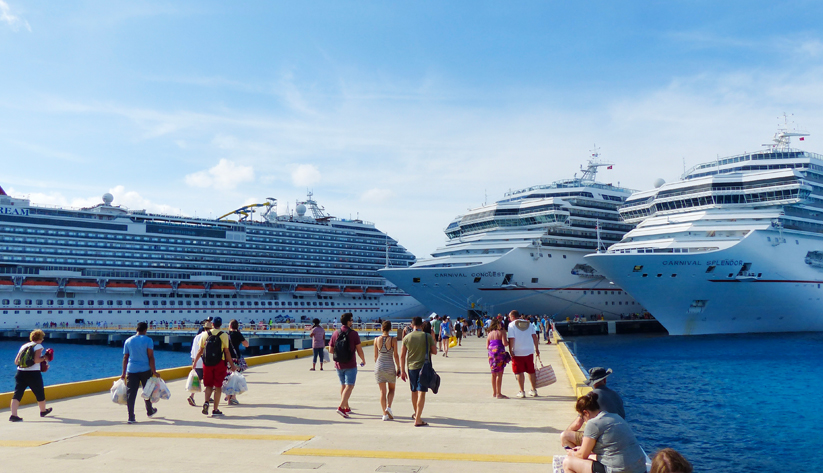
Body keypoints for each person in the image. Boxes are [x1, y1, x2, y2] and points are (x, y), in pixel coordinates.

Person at [562, 392, 646, 473]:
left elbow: (582, 455)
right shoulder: (615, 416)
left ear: (586, 413)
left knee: (567, 462)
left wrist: (572, 453)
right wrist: (580, 449)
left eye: (582, 417)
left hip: (618, 470)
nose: (583, 420)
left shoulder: (593, 423)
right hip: (640, 469)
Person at [562, 366, 626, 448]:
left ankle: (578, 457)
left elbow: (577, 424)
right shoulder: (616, 395)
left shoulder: (591, 397)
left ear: (592, 383)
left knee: (565, 436)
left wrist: (567, 432)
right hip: (621, 436)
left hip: (605, 440)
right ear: (605, 380)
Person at [192, 316, 237, 417]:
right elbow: (227, 352)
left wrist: (194, 363)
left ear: (212, 324)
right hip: (219, 363)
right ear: (220, 325)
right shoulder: (224, 335)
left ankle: (206, 402)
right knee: (218, 387)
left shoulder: (205, 334)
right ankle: (215, 409)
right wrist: (232, 365)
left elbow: (200, 350)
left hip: (207, 363)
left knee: (208, 385)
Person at [400, 316, 437, 427]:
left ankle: (416, 414)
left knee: (414, 391)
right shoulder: (427, 336)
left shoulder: (407, 337)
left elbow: (402, 356)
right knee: (422, 392)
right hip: (424, 367)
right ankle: (418, 419)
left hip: (411, 368)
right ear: (421, 325)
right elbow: (434, 351)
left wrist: (402, 371)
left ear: (412, 325)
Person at [328, 312, 366, 418]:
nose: (352, 322)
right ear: (348, 322)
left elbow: (331, 350)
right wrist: (363, 360)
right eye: (352, 320)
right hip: (350, 363)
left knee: (343, 386)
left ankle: (346, 407)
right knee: (350, 386)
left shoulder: (335, 333)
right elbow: (359, 350)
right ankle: (341, 407)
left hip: (338, 364)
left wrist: (340, 353)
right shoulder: (353, 334)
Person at [9, 329, 52, 422]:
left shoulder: (24, 346)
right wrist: (45, 357)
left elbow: (16, 361)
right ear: (40, 338)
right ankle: (43, 411)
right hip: (33, 373)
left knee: (17, 393)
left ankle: (13, 415)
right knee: (39, 392)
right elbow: (36, 360)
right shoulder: (38, 346)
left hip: (20, 372)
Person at [121, 322, 159, 424]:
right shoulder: (148, 340)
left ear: (136, 329)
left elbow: (125, 357)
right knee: (147, 391)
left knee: (131, 394)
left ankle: (131, 417)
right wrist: (154, 371)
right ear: (145, 330)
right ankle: (149, 411)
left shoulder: (128, 341)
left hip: (131, 370)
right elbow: (151, 356)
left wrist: (123, 373)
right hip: (145, 369)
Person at [507, 310, 539, 398]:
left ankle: (522, 391)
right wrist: (537, 349)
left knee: (519, 371)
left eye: (510, 317)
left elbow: (511, 339)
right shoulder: (528, 324)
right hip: (529, 351)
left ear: (513, 317)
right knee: (531, 371)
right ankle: (533, 390)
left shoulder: (511, 325)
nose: (509, 319)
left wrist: (511, 350)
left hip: (517, 352)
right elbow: (534, 337)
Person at [373, 320, 400, 421]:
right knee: (392, 389)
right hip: (390, 366)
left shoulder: (376, 340)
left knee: (382, 392)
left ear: (382, 328)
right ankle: (389, 406)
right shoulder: (393, 339)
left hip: (379, 366)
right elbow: (396, 355)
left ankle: (384, 414)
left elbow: (375, 356)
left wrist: (378, 366)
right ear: (390, 329)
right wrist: (399, 368)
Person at [225, 319, 249, 406]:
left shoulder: (226, 335)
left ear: (230, 326)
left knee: (228, 378)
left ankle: (228, 398)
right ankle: (233, 397)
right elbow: (246, 344)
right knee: (234, 378)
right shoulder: (238, 334)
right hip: (236, 358)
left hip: (227, 359)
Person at [188, 319, 211, 407]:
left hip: (197, 361)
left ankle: (191, 396)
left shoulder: (196, 337)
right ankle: (208, 399)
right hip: (207, 362)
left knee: (196, 381)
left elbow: (193, 351)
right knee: (209, 381)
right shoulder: (210, 336)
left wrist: (193, 362)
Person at [485, 318, 510, 399]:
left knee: (493, 373)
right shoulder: (501, 332)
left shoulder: (489, 334)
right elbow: (505, 343)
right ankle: (499, 393)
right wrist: (510, 342)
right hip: (499, 352)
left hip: (491, 353)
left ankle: (494, 393)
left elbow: (487, 346)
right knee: (499, 373)